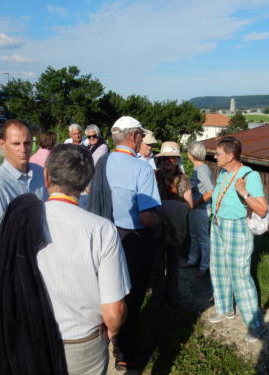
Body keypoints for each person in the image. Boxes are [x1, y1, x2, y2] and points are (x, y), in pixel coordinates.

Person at [38, 144, 130, 374]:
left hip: (33, 334)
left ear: (46, 176)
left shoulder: (24, 221)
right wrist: (112, 331)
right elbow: (114, 311)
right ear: (87, 182)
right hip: (82, 342)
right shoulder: (102, 230)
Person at [87, 116, 161, 371]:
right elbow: (146, 215)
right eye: (141, 134)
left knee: (108, 290)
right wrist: (162, 223)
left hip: (104, 234)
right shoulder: (141, 168)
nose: (142, 139)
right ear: (133, 137)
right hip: (133, 240)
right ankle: (125, 354)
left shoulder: (102, 163)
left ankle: (105, 340)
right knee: (131, 298)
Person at [209, 136, 269, 343]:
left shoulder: (249, 176)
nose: (215, 156)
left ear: (231, 155)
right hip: (217, 224)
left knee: (240, 277)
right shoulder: (224, 172)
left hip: (236, 228)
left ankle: (256, 326)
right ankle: (225, 309)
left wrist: (243, 192)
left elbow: (262, 209)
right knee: (218, 269)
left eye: (218, 154)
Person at [0, 119, 47, 256]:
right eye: (16, 144)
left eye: (27, 143)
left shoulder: (40, 173)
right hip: (15, 263)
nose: (23, 149)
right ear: (2, 144)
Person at [152, 141, 193, 307]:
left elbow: (189, 205)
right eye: (165, 159)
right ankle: (157, 298)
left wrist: (172, 210)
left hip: (175, 229)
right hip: (158, 226)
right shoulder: (153, 176)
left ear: (177, 160)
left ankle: (173, 296)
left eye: (172, 160)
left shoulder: (183, 179)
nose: (168, 163)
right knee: (157, 264)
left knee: (174, 264)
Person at [184, 141, 214, 278]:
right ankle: (192, 260)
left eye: (188, 151)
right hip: (195, 208)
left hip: (201, 209)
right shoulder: (198, 168)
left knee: (203, 238)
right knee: (194, 235)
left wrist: (196, 203)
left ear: (191, 154)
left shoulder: (201, 170)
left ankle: (204, 267)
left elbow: (211, 191)